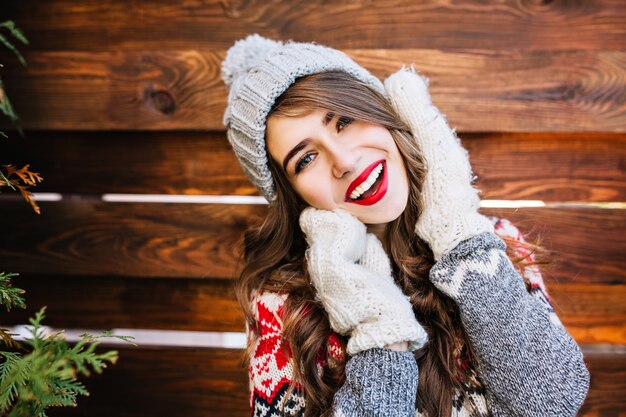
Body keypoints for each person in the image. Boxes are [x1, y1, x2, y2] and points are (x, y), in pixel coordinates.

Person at [221, 34, 590, 417]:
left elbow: (552, 403)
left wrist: (460, 236)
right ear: (294, 195)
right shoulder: (281, 307)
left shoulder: (492, 245)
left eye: (344, 121)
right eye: (306, 158)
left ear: (382, 110)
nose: (343, 160)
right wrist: (378, 332)